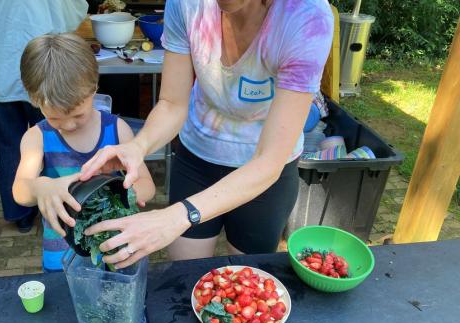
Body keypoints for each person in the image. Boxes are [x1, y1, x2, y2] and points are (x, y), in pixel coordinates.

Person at [78, 0, 334, 269]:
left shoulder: (307, 18)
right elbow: (172, 104)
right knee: (188, 275)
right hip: (197, 158)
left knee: (246, 280)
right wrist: (138, 146)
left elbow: (269, 160)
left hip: (264, 174)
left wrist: (176, 216)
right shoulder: (185, 4)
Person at [12, 33, 156, 271]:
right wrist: (41, 187)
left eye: (78, 115)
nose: (68, 125)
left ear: (93, 88)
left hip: (114, 248)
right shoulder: (36, 137)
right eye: (55, 117)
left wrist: (114, 191)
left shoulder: (117, 130)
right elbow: (20, 190)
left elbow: (148, 186)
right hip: (60, 254)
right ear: (33, 99)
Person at [0, 0, 88, 233]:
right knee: (57, 143)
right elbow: (76, 11)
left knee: (10, 146)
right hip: (47, 70)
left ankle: (20, 214)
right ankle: (67, 206)